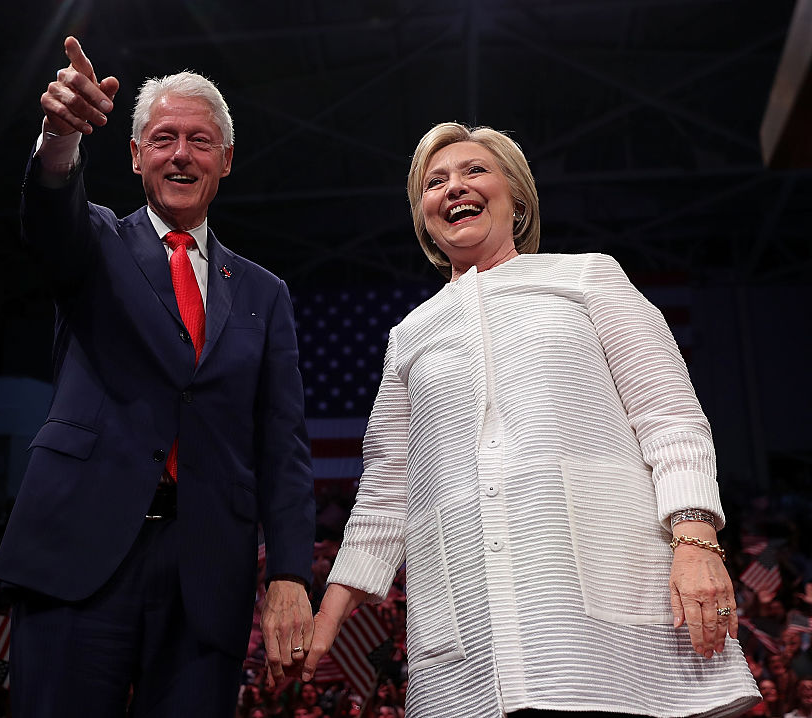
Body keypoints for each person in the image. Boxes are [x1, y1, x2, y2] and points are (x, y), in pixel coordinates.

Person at [299, 123, 760, 717]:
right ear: (424, 218)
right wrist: (332, 608)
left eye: (473, 171)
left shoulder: (587, 276)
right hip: (466, 623)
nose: (453, 188)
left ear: (516, 198)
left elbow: (668, 415)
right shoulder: (409, 335)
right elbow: (387, 485)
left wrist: (696, 541)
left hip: (598, 603)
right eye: (434, 183)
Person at [0, 36, 316, 717]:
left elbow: (281, 444)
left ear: (225, 160)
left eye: (200, 141)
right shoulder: (97, 243)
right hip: (79, 553)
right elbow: (49, 217)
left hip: (207, 574)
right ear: (136, 154)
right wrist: (57, 138)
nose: (180, 154)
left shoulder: (265, 293)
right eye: (163, 138)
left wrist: (289, 571)